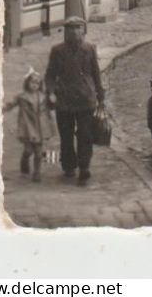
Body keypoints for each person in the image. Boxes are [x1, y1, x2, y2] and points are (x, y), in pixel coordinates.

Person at [44, 16, 105, 184]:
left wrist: (101, 96)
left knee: (85, 134)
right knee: (66, 135)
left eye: (78, 28)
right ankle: (69, 166)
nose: (74, 32)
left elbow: (96, 74)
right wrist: (50, 92)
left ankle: (84, 167)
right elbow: (50, 75)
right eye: (70, 29)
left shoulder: (90, 49)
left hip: (86, 99)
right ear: (65, 32)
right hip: (64, 100)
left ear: (83, 31)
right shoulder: (58, 51)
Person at [5, 69, 52, 181]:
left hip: (39, 127)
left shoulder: (43, 96)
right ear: (27, 83)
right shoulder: (22, 96)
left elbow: (49, 108)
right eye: (32, 83)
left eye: (37, 83)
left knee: (39, 152)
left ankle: (37, 173)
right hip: (27, 126)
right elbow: (11, 104)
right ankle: (24, 161)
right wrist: (2, 108)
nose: (34, 85)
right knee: (28, 150)